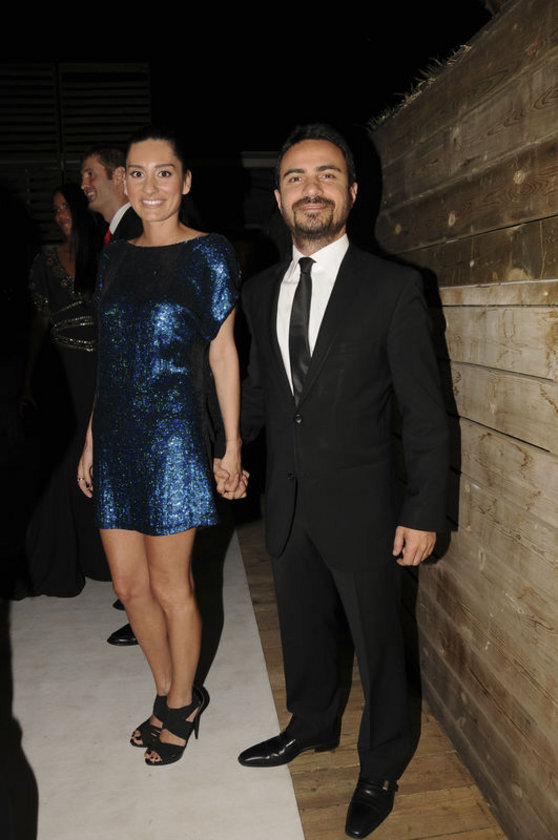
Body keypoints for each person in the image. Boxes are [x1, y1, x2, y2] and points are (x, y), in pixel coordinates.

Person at [215, 124, 448, 838]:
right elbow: (263, 392)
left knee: (379, 645)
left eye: (325, 175)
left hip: (366, 506)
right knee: (303, 628)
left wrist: (424, 509)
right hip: (286, 500)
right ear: (279, 199)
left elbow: (425, 412)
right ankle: (311, 724)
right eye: (294, 178)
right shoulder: (260, 291)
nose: (310, 189)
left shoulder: (394, 288)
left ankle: (381, 763)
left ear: (351, 191)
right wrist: (228, 449)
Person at [78, 125, 246, 766]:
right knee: (129, 585)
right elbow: (110, 357)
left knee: (172, 586)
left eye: (164, 172)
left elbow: (224, 354)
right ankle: (166, 689)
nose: (150, 186)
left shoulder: (210, 254)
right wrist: (91, 439)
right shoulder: (116, 256)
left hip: (175, 440)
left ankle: (182, 702)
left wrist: (231, 444)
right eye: (138, 173)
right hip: (116, 436)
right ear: (125, 182)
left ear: (185, 180)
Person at [23, 183, 109, 595]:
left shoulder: (107, 256)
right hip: (61, 372)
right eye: (55, 210)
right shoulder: (44, 261)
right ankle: (59, 564)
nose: (59, 217)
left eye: (65, 208)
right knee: (62, 465)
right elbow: (38, 323)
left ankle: (102, 558)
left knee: (102, 461)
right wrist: (27, 379)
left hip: (102, 370)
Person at [80, 143, 143, 644]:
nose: (84, 185)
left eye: (90, 174)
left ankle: (146, 609)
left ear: (119, 177)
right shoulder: (111, 237)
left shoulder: (137, 232)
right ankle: (138, 602)